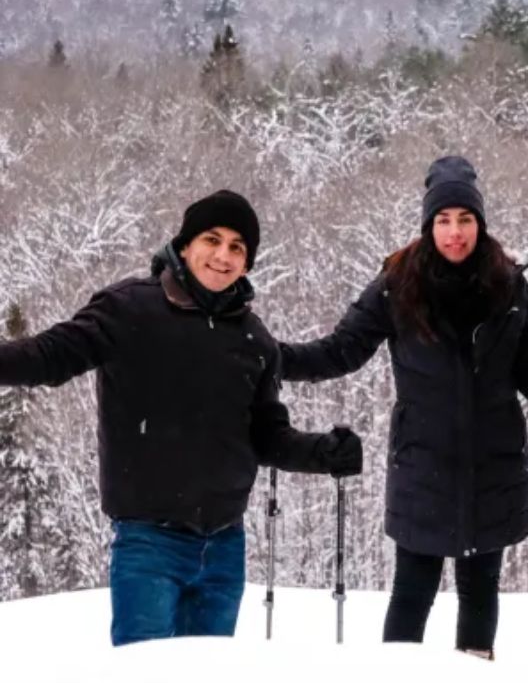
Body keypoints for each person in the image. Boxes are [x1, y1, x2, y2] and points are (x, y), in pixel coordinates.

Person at [0, 190, 363, 646]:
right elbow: (48, 357)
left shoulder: (254, 340)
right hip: (149, 542)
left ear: (247, 265)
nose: (223, 255)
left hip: (225, 549)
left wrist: (323, 453)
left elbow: (267, 436)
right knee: (144, 673)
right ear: (185, 245)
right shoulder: (129, 309)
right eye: (212, 239)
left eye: (237, 247)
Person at [279, 156, 528, 660]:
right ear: (428, 224)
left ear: (480, 222)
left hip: (493, 466)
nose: (455, 232)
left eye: (465, 219)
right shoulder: (397, 284)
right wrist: (269, 357)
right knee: (413, 589)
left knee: (481, 590)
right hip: (423, 465)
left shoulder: (511, 284)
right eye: (443, 220)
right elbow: (340, 350)